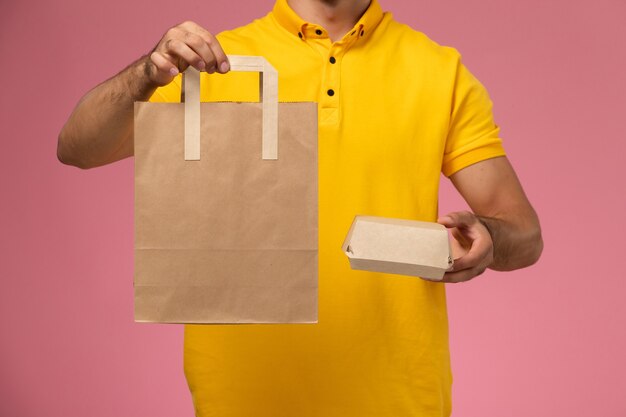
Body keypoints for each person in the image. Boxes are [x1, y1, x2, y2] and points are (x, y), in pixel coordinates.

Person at [58, 0, 543, 415]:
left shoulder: (440, 71)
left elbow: (523, 232)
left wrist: (490, 237)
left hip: (399, 399)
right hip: (240, 401)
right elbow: (79, 148)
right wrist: (148, 70)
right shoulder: (210, 61)